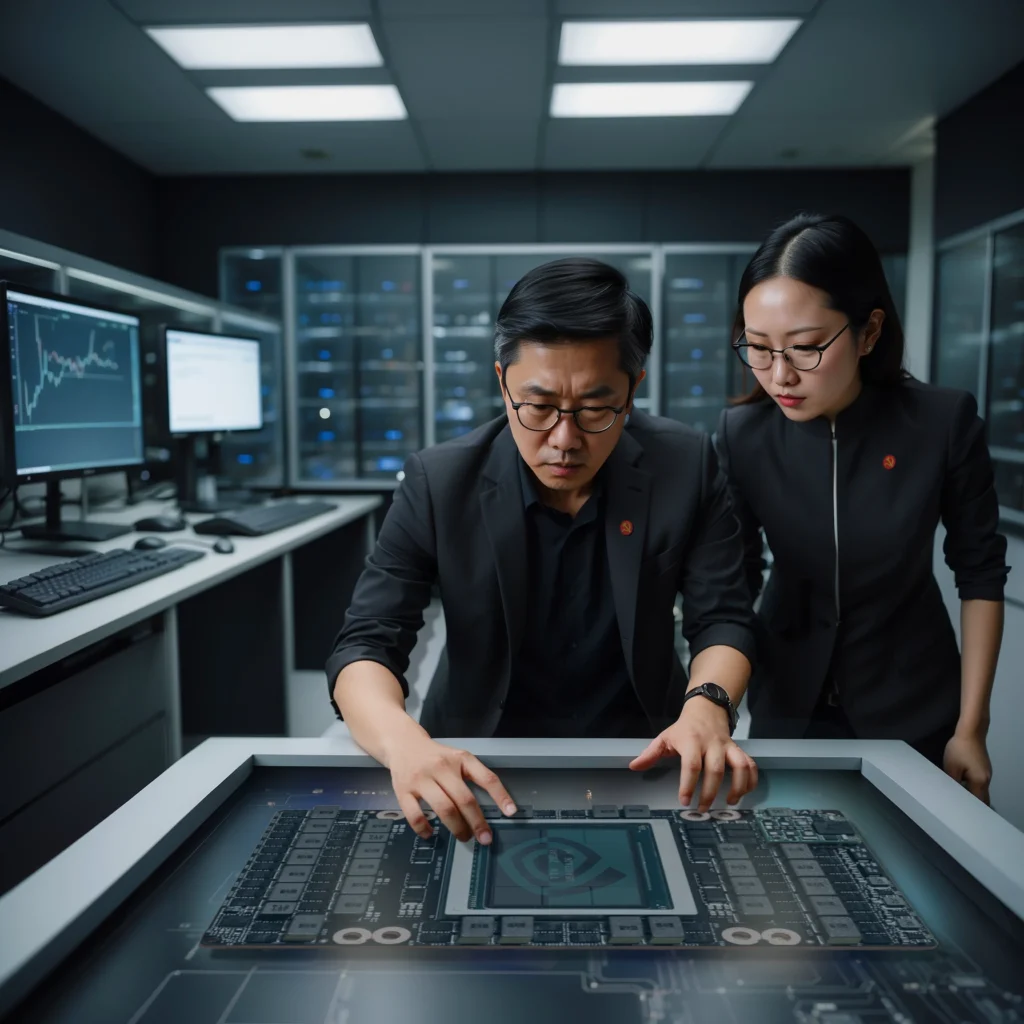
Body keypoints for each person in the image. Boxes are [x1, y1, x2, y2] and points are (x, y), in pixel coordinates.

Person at [328, 257, 759, 846]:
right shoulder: (440, 480)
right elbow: (366, 643)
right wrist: (404, 743)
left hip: (648, 755)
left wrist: (707, 705)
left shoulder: (686, 465)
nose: (564, 439)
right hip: (472, 759)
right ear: (501, 381)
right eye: (538, 405)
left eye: (594, 408)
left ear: (632, 391)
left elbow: (724, 619)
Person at [715, 212, 1008, 802]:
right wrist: (714, 704)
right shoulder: (743, 433)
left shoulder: (940, 422)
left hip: (914, 699)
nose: (779, 375)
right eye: (759, 349)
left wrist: (972, 728)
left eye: (803, 348)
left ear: (868, 332)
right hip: (787, 698)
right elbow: (730, 588)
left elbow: (980, 575)